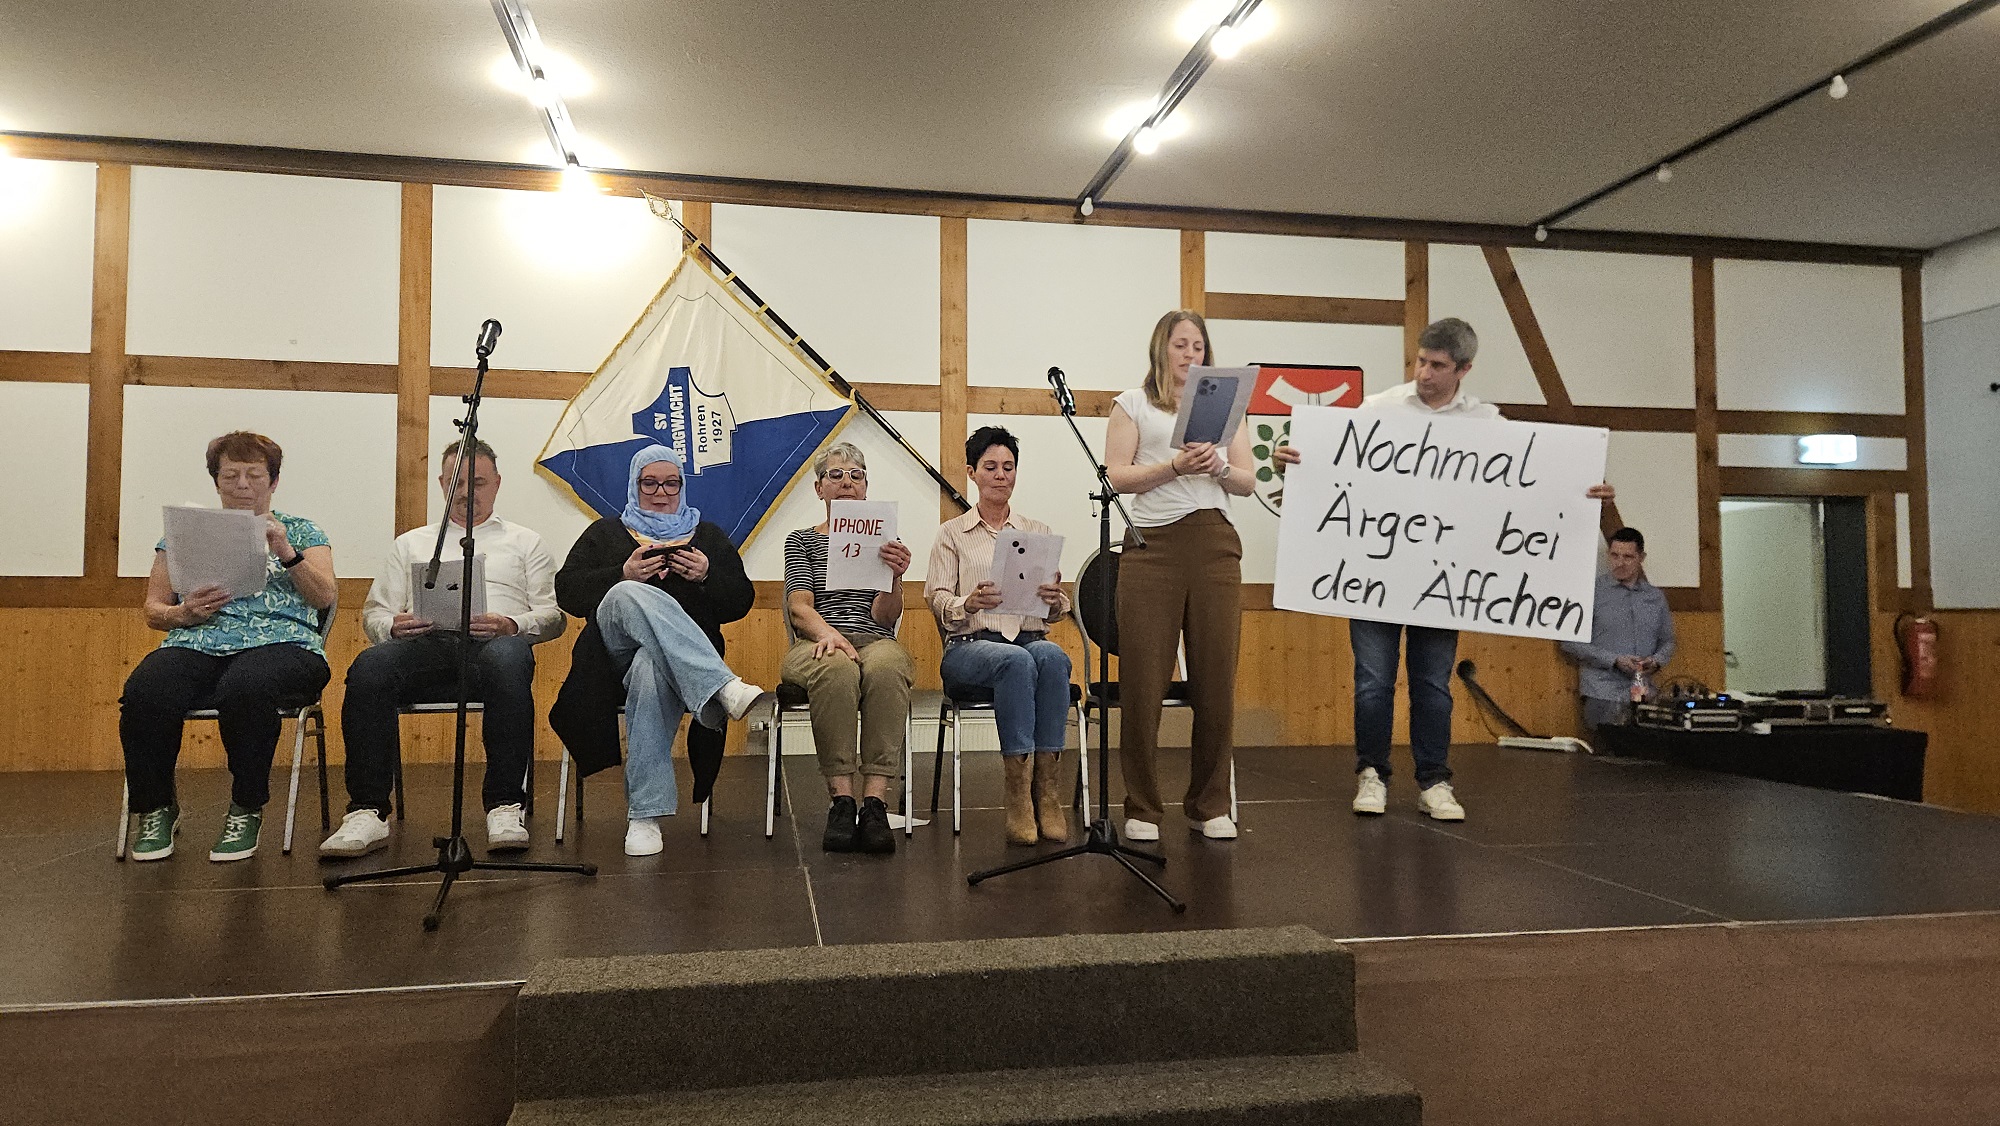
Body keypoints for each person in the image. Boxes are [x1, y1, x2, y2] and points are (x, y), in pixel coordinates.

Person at [1273, 317, 1616, 823]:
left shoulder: (1486, 424)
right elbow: (1332, 462)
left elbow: (1533, 478)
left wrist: (1582, 490)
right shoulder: (1379, 409)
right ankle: (1371, 773)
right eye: (1420, 361)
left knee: (1433, 685)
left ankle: (1434, 780)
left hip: (1442, 581)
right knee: (1372, 683)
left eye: (1437, 366)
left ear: (1464, 369)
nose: (1424, 374)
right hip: (1374, 575)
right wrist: (1291, 462)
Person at [319, 440, 567, 860]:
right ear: (441, 483)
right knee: (369, 667)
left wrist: (512, 624)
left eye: (478, 482)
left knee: (509, 658)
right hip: (426, 647)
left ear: (497, 484)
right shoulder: (412, 543)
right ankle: (367, 810)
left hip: (495, 646)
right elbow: (375, 614)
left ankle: (505, 805)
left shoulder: (526, 542)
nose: (467, 492)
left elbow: (553, 616)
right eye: (457, 483)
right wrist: (394, 626)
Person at [121, 431, 338, 862]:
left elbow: (324, 597)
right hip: (199, 638)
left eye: (254, 475)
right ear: (216, 481)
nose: (242, 485)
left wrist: (286, 551)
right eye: (230, 475)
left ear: (273, 481)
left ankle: (246, 807)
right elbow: (153, 609)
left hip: (284, 642)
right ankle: (155, 808)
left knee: (246, 687)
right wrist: (183, 613)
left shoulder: (302, 531)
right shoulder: (183, 534)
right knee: (146, 689)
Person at [550, 444, 764, 857]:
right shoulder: (604, 532)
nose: (661, 493)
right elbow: (567, 592)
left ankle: (645, 816)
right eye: (650, 483)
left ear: (682, 486)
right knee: (625, 592)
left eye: (670, 483)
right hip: (609, 660)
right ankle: (719, 686)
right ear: (634, 485)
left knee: (651, 667)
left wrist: (707, 576)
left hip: (669, 672)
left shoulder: (708, 537)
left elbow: (740, 602)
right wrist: (622, 572)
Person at [1105, 310, 1258, 843]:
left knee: (1216, 679)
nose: (1191, 354)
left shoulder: (1227, 408)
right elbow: (1116, 475)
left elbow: (1247, 482)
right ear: (1161, 349)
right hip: (1153, 547)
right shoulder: (1133, 403)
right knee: (1144, 682)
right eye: (1180, 345)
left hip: (1215, 545)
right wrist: (1174, 466)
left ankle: (1209, 803)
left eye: (1198, 346)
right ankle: (1143, 807)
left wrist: (1218, 467)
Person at [927, 426, 1074, 847]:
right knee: (1016, 660)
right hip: (969, 646)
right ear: (972, 473)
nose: (1000, 475)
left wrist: (1054, 599)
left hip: (1027, 638)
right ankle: (1018, 797)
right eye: (990, 467)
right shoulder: (952, 533)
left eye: (1008, 467)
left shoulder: (1036, 531)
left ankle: (1047, 792)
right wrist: (969, 602)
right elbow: (936, 598)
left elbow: (1055, 610)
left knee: (1052, 657)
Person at [782, 442, 916, 855]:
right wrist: (830, 635)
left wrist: (895, 578)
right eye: (836, 475)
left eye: (856, 476)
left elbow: (885, 617)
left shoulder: (885, 541)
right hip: (816, 640)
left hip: (873, 639)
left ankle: (874, 803)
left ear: (866, 488)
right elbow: (799, 607)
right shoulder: (802, 540)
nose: (846, 482)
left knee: (888, 666)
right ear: (819, 488)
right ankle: (841, 801)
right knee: (837, 666)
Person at [1560, 527, 1675, 731]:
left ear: (1641, 558)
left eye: (1628, 557)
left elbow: (1668, 641)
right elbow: (1569, 641)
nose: (1620, 563)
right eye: (1615, 555)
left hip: (1644, 693)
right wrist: (1614, 660)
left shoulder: (1655, 597)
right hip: (1602, 692)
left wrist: (1656, 660)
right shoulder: (1590, 593)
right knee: (1607, 749)